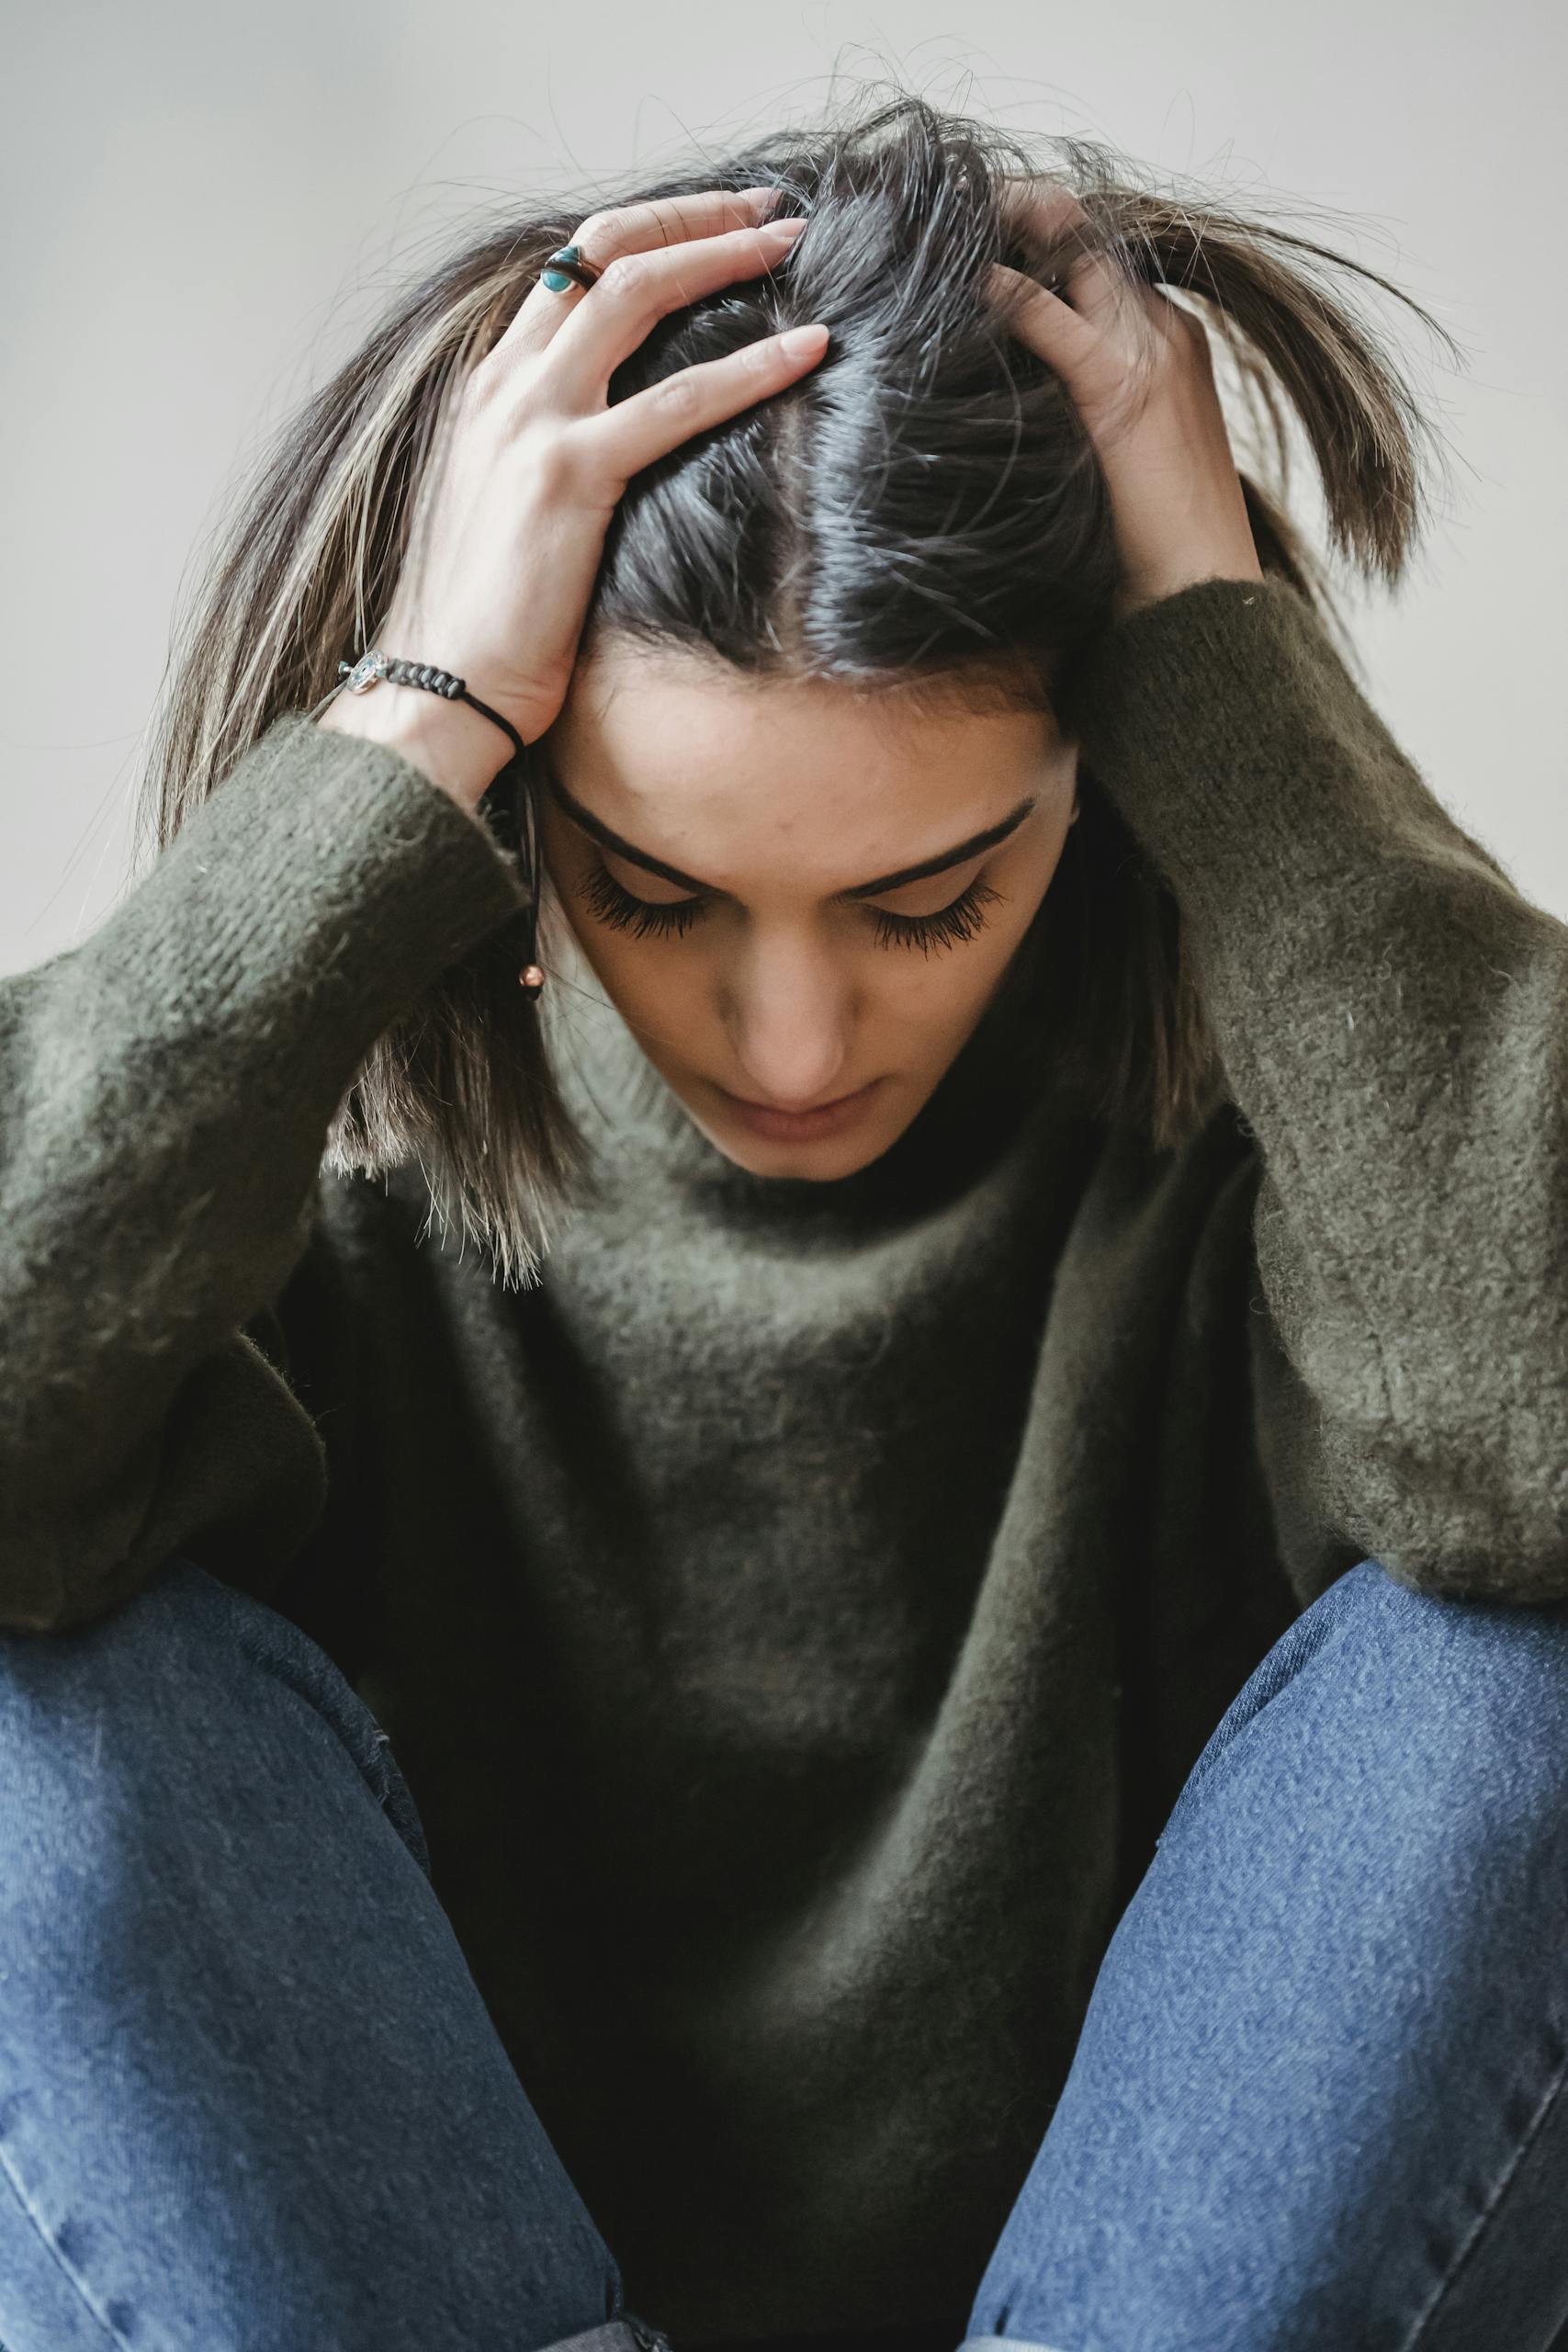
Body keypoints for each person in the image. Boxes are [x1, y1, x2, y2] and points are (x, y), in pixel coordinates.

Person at [2, 86, 1566, 2352]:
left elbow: (1531, 1444)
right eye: (653, 890)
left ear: (1097, 781)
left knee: (1528, 1659)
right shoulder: (290, 1180)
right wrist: (414, 719)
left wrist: (1216, 647)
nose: (793, 1037)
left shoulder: (1321, 1191)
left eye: (926, 900)